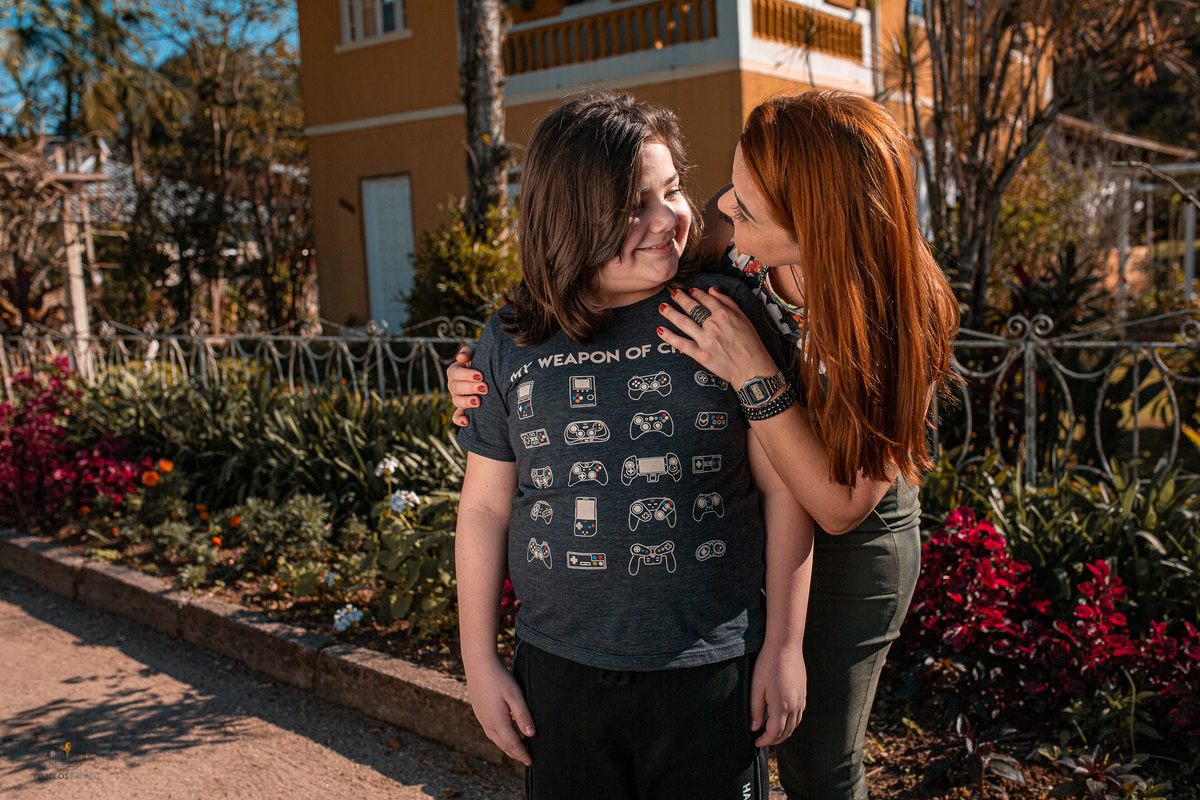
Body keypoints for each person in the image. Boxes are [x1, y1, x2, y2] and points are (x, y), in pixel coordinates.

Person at [448, 90, 960, 800]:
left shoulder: (892, 311)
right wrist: (488, 379)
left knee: (817, 758)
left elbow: (835, 505)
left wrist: (752, 372)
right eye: (723, 191)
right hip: (710, 544)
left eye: (744, 206)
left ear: (811, 218)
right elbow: (587, 280)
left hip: (850, 517)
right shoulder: (721, 242)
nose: (717, 210)